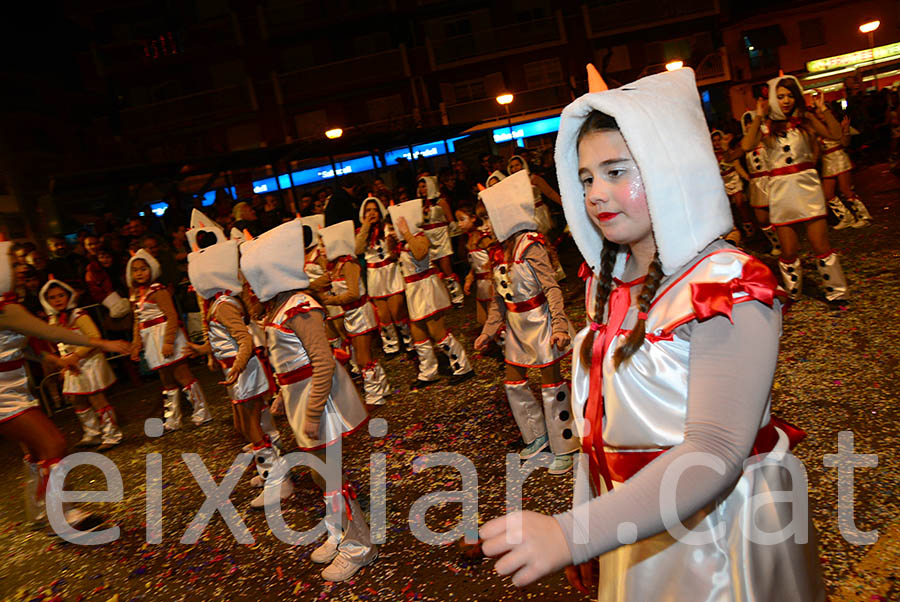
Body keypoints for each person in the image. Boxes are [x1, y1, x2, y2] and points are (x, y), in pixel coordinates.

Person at [479, 66, 824, 601]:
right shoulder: (607, 284)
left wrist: (575, 534)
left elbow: (713, 450)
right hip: (635, 522)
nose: (596, 194)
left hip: (720, 538)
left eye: (618, 171)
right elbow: (598, 432)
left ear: (672, 171)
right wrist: (590, 527)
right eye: (587, 177)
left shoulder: (726, 285)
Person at [239, 219, 378, 581]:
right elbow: (289, 362)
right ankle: (339, 533)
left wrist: (312, 411)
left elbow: (322, 363)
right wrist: (285, 400)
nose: (248, 289)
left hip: (321, 400)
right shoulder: (282, 307)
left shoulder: (300, 306)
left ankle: (359, 547)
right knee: (322, 476)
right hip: (304, 398)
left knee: (331, 477)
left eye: (251, 280)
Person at [0, 241, 130, 531]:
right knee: (53, 445)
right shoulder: (5, 309)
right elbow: (50, 332)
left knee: (35, 450)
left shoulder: (8, 306)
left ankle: (39, 510)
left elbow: (18, 345)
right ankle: (63, 517)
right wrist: (103, 342)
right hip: (4, 394)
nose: (22, 268)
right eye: (14, 261)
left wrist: (53, 360)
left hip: (13, 387)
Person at [474, 171, 577, 475]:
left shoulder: (530, 245)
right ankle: (537, 435)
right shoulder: (498, 251)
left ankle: (565, 445)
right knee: (513, 382)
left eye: (488, 219)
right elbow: (498, 299)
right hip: (517, 328)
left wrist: (559, 326)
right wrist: (488, 331)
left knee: (551, 385)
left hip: (542, 323)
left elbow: (552, 288)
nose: (485, 226)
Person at [184, 213, 287, 508]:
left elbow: (243, 340)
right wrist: (199, 349)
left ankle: (276, 481)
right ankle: (273, 470)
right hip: (237, 370)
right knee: (245, 424)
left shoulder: (224, 305)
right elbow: (222, 344)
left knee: (250, 425)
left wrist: (239, 366)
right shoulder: (221, 302)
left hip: (243, 370)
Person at [743, 76, 849, 303]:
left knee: (821, 245)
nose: (786, 101)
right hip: (781, 191)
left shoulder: (806, 119)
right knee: (789, 251)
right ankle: (792, 293)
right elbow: (746, 146)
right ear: (772, 98)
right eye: (780, 96)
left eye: (790, 96)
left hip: (807, 187)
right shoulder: (765, 125)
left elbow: (835, 135)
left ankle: (837, 293)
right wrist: (759, 115)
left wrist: (823, 110)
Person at [388, 199, 474, 389]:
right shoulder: (403, 242)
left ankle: (462, 366)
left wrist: (406, 233)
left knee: (437, 332)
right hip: (413, 290)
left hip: (426, 288)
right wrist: (393, 240)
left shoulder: (420, 237)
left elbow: (420, 253)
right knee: (418, 333)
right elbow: (391, 257)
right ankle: (428, 372)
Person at [127, 249, 211, 432]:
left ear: (152, 269)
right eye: (135, 270)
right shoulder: (135, 293)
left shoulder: (158, 290)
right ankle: (172, 418)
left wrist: (169, 341)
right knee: (166, 380)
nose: (139, 273)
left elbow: (172, 316)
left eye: (143, 268)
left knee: (182, 375)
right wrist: (136, 344)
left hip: (165, 335)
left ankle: (202, 411)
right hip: (151, 340)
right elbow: (137, 321)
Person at [39, 279, 123, 451]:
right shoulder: (55, 319)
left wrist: (77, 356)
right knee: (76, 399)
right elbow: (60, 345)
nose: (57, 300)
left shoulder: (79, 315)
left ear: (69, 295)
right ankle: (92, 432)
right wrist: (64, 364)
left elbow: (94, 337)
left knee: (96, 397)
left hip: (89, 361)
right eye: (52, 297)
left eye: (61, 295)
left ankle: (111, 434)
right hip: (72, 363)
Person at [318, 220, 391, 406]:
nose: (320, 249)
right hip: (352, 314)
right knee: (363, 355)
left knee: (362, 357)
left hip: (360, 312)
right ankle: (381, 387)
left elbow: (353, 293)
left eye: (323, 245)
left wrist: (329, 300)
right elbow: (318, 284)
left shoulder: (348, 264)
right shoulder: (334, 267)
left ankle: (375, 396)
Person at [356, 197, 413, 355]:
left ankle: (410, 343)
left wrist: (393, 244)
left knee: (397, 311)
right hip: (374, 275)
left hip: (390, 270)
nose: (372, 213)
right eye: (368, 210)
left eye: (374, 209)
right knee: (384, 315)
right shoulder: (361, 232)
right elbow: (358, 250)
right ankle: (391, 346)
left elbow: (395, 253)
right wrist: (366, 226)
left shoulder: (389, 227)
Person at [819, 109, 872, 229]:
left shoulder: (836, 126)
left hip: (839, 158)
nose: (820, 116)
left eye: (822, 113)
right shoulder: (817, 129)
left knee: (846, 189)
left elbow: (845, 143)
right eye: (818, 114)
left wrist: (846, 128)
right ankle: (845, 217)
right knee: (828, 193)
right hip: (827, 162)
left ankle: (864, 216)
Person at [416, 176, 464, 306]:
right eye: (420, 186)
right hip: (427, 238)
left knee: (446, 267)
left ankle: (457, 297)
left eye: (424, 186)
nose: (422, 189)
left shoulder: (441, 202)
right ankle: (444, 298)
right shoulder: (418, 204)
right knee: (434, 270)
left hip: (441, 237)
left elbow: (450, 220)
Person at [740, 111, 782, 255]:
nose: (749, 126)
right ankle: (776, 243)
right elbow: (732, 159)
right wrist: (745, 175)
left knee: (779, 216)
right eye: (747, 124)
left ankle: (786, 242)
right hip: (756, 184)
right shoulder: (744, 143)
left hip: (771, 180)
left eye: (752, 122)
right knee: (762, 219)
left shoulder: (767, 138)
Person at [455, 203, 498, 328]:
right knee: (483, 319)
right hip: (481, 285)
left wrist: (492, 268)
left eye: (462, 220)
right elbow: (475, 265)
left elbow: (495, 255)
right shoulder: (469, 239)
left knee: (494, 319)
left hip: (490, 282)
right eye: (458, 221)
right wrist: (469, 278)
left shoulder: (482, 237)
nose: (459, 224)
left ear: (473, 218)